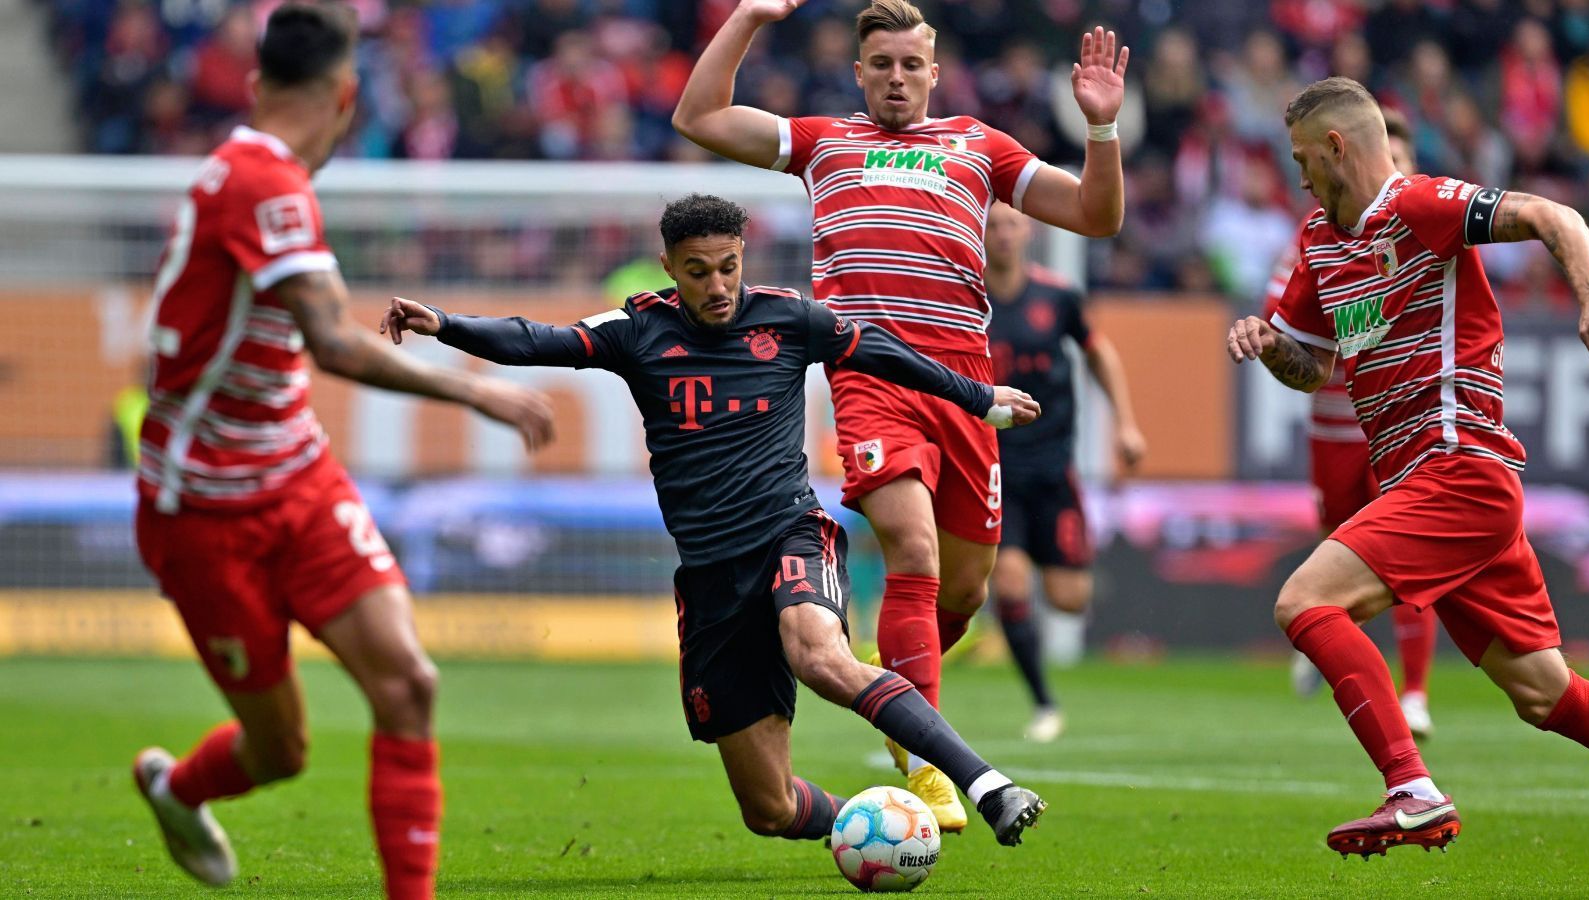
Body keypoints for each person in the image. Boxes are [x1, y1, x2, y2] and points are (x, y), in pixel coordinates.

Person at [381, 193, 1051, 846]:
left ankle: (987, 786)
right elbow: (538, 340)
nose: (718, 285)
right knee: (770, 808)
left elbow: (879, 351)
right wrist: (445, 323)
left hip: (790, 532)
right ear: (670, 267)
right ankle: (879, 827)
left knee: (819, 654)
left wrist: (978, 397)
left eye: (728, 266)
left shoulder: (789, 319)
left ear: (743, 257)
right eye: (698, 272)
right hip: (711, 580)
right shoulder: (639, 330)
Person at [129, 6, 555, 897]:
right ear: (348, 96)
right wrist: (474, 388)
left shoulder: (254, 174)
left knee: (408, 684)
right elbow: (331, 337)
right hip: (202, 509)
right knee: (280, 750)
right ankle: (177, 788)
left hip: (298, 476)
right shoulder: (262, 181)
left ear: (257, 85)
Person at [671, 0, 1127, 830]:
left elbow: (1097, 217)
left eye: (910, 65)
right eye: (880, 64)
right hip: (872, 376)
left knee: (967, 587)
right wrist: (747, 17)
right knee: (911, 546)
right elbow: (698, 116)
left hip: (965, 387)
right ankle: (927, 768)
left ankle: (893, 687)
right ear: (859, 73)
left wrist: (1101, 130)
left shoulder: (980, 148)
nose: (896, 78)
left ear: (934, 71)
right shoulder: (823, 144)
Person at [1227, 76, 1589, 858]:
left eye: (1303, 159)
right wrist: (1271, 350)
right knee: (1544, 694)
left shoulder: (1420, 205)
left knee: (1304, 603)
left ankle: (1412, 790)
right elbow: (1315, 368)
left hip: (1457, 466)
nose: (1298, 177)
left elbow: (1551, 214)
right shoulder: (1320, 244)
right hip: (1429, 483)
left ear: (1337, 147)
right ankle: (1415, 786)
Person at [1270, 108, 1441, 741]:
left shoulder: (1427, 216)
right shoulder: (1316, 235)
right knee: (1340, 542)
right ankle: (1327, 628)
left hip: (1417, 429)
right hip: (1338, 421)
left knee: (1404, 553)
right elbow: (1288, 324)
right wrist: (1270, 339)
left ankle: (1415, 691)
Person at [983, 202, 1145, 743]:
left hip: (1055, 470)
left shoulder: (1057, 297)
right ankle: (1044, 703)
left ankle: (1024, 599)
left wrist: (1125, 424)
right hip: (995, 470)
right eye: (992, 226)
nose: (1003, 234)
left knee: (1069, 598)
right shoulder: (968, 303)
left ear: (1026, 231)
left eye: (1010, 224)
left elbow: (1102, 355)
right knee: (1008, 577)